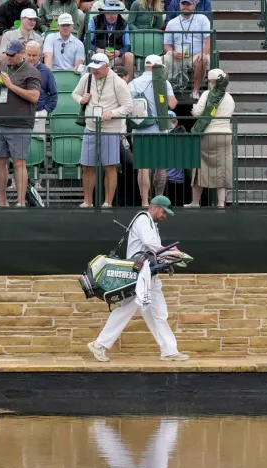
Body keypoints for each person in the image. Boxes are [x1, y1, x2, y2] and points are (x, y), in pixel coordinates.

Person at [87, 197, 189, 362]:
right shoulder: (143, 219)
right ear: (155, 207)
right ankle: (99, 344)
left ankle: (169, 350)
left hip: (148, 275)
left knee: (158, 313)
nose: (165, 216)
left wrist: (167, 255)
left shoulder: (150, 223)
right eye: (164, 212)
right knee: (127, 310)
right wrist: (170, 252)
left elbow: (153, 248)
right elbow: (151, 244)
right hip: (139, 276)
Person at [0, 39, 42, 207]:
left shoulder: (31, 71)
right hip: (0, 123)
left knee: (19, 162)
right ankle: (1, 201)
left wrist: (11, 86)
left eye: (12, 55)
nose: (8, 57)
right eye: (7, 54)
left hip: (20, 124)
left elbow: (34, 96)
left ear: (21, 54)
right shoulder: (2, 66)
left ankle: (20, 202)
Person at [73, 52, 131, 208]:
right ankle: (87, 201)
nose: (95, 71)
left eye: (98, 68)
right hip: (90, 127)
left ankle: (107, 203)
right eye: (93, 68)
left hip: (110, 129)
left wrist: (113, 113)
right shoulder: (87, 77)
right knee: (87, 165)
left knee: (110, 166)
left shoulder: (118, 82)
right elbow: (75, 94)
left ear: (106, 66)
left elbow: (128, 106)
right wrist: (81, 100)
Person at [127, 55, 176, 206]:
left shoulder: (134, 83)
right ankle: (159, 199)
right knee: (160, 166)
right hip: (160, 130)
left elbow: (128, 107)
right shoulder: (164, 82)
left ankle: (144, 201)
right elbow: (172, 104)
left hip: (141, 130)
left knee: (143, 167)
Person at [188, 67, 234, 208]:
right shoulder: (229, 97)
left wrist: (193, 111)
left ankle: (195, 202)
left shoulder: (208, 94)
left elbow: (198, 112)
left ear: (212, 82)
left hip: (208, 134)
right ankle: (221, 203)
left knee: (199, 167)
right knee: (223, 168)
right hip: (225, 134)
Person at [162, 0, 212, 98]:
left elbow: (208, 40)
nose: (185, 6)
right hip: (178, 56)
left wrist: (204, 53)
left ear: (194, 5)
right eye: (183, 4)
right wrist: (172, 53)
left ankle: (195, 91)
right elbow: (166, 45)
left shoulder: (202, 19)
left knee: (202, 59)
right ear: (179, 5)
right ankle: (164, 92)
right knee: (160, 61)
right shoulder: (172, 23)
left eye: (188, 4)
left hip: (196, 54)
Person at [86, 0, 134, 81]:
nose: (113, 16)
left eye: (115, 13)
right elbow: (86, 42)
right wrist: (98, 50)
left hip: (116, 57)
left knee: (129, 56)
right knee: (92, 53)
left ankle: (128, 85)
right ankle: (92, 83)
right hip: (99, 56)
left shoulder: (124, 23)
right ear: (104, 12)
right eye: (109, 13)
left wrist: (119, 52)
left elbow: (127, 45)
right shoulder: (94, 21)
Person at [25, 41, 56, 134]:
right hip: (21, 114)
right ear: (24, 54)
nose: (31, 58)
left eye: (34, 55)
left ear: (40, 55)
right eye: (29, 55)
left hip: (38, 113)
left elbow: (54, 95)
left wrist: (45, 110)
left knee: (38, 143)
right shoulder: (19, 69)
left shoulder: (46, 72)